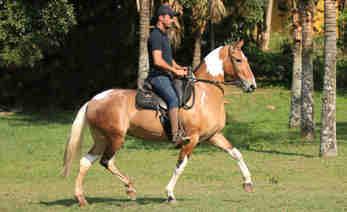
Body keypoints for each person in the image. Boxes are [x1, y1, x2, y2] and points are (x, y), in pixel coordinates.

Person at [147, 4, 187, 144]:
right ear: (161, 18)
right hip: (157, 77)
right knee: (173, 100)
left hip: (166, 75)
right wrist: (174, 71)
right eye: (170, 18)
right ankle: (176, 135)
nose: (172, 20)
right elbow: (158, 60)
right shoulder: (156, 36)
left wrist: (180, 68)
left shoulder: (164, 36)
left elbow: (169, 59)